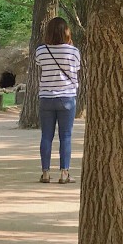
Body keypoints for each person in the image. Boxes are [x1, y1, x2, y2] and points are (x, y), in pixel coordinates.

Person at [35, 17, 80, 184]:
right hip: (67, 97)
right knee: (66, 136)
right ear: (66, 32)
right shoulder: (73, 51)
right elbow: (76, 69)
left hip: (46, 97)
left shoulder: (41, 50)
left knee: (46, 136)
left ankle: (45, 173)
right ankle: (64, 173)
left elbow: (40, 64)